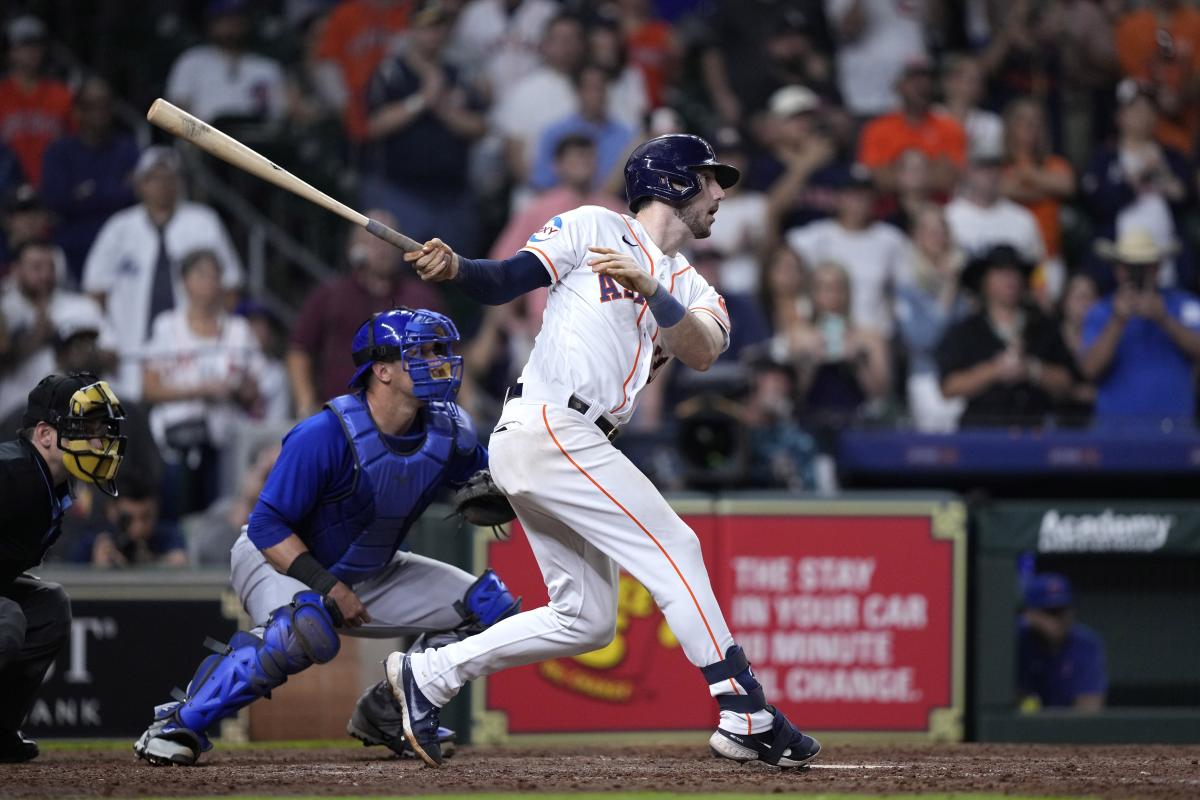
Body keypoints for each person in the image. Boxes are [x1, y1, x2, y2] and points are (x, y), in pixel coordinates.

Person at [392, 133, 821, 768]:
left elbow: (700, 350)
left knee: (586, 620)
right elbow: (506, 280)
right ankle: (746, 711)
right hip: (547, 422)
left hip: (574, 439)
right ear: (674, 184)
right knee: (676, 546)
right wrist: (455, 267)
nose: (721, 193)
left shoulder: (694, 286)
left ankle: (429, 674)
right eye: (709, 180)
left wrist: (652, 287)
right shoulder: (595, 225)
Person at [133, 307, 520, 766]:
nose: (439, 361)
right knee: (303, 629)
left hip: (372, 569)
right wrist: (328, 586)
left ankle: (390, 710)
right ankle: (177, 722)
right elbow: (266, 526)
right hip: (277, 557)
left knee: (490, 607)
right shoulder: (325, 435)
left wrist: (515, 484)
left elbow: (494, 478)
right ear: (382, 370)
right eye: (423, 351)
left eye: (440, 350)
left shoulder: (450, 430)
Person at [0, 372, 126, 762]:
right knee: (7, 619)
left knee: (48, 606)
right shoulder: (11, 472)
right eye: (85, 427)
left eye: (100, 428)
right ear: (45, 435)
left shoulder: (49, 483)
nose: (98, 439)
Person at [82, 146, 243, 401]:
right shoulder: (119, 228)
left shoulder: (203, 222)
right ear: (139, 184)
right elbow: (94, 291)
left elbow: (230, 288)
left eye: (170, 177)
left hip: (189, 353)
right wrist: (107, 339)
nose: (163, 185)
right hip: (127, 350)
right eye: (154, 178)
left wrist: (214, 339)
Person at [142, 249, 266, 515]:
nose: (209, 282)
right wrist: (201, 390)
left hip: (226, 442)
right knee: (178, 511)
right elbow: (149, 388)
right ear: (185, 281)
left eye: (214, 275)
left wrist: (235, 389)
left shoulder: (239, 330)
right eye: (201, 274)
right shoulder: (167, 326)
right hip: (174, 442)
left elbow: (256, 392)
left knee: (222, 512)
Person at [288, 210, 443, 417]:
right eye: (375, 241)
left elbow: (445, 353)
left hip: (409, 417)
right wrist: (306, 404)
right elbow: (299, 350)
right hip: (340, 417)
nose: (383, 249)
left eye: (391, 240)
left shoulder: (421, 297)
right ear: (355, 249)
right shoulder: (331, 295)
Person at [362, 0, 487, 256]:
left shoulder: (458, 73)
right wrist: (422, 100)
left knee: (454, 269)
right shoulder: (391, 71)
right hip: (401, 189)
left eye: (439, 27)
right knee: (400, 262)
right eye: (426, 27)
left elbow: (479, 126)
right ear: (411, 31)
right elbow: (375, 124)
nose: (433, 34)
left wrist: (442, 107)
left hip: (452, 191)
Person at [936, 245, 1075, 427]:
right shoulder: (966, 330)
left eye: (1015, 272)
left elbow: (1067, 382)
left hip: (1036, 434)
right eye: (1001, 272)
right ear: (984, 280)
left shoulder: (1043, 325)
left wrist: (1031, 370)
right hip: (982, 434)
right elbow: (948, 387)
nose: (1010, 279)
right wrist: (994, 370)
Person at [1080, 229, 1200, 424]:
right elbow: (1090, 369)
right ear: (1118, 269)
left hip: (1176, 431)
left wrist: (1164, 319)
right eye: (1129, 267)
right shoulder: (1101, 311)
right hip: (1116, 433)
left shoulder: (1183, 304)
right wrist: (1118, 321)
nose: (1136, 274)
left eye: (1144, 266)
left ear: (1157, 267)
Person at [0, 239, 118, 421]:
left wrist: (85, 354)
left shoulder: (82, 306)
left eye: (51, 267)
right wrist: (35, 338)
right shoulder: (6, 311)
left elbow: (112, 356)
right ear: (16, 270)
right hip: (17, 413)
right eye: (37, 268)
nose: (45, 275)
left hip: (75, 410)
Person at [785, 165, 910, 336]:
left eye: (864, 195)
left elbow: (906, 289)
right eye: (851, 195)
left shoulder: (891, 239)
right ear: (839, 198)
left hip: (876, 334)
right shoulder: (816, 236)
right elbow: (779, 263)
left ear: (873, 199)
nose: (857, 202)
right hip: (827, 335)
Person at [40, 77, 140, 282]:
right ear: (77, 111)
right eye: (92, 106)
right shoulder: (60, 151)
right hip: (74, 249)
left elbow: (137, 194)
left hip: (124, 248)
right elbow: (56, 201)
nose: (100, 113)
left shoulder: (127, 148)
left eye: (105, 105)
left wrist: (88, 194)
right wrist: (115, 190)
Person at [894, 204, 969, 432]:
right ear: (916, 237)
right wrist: (947, 291)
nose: (936, 237)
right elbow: (923, 340)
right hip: (926, 374)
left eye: (941, 230)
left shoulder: (965, 278)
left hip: (963, 374)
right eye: (928, 231)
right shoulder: (906, 284)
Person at [164, 0, 287, 124]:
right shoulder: (191, 61)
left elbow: (280, 114)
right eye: (224, 18)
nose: (231, 24)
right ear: (211, 23)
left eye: (237, 17)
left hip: (256, 139)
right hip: (202, 136)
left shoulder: (267, 67)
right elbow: (176, 109)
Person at [858, 58, 967, 195]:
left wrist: (897, 171)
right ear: (899, 85)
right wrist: (930, 170)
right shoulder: (877, 129)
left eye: (926, 79)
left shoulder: (950, 128)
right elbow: (878, 179)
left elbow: (948, 178)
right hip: (890, 207)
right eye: (913, 80)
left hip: (938, 203)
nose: (921, 86)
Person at [1017, 573, 1107, 711]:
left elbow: (1089, 708)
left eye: (1064, 610)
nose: (1060, 619)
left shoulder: (1085, 644)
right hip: (1023, 730)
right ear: (1030, 614)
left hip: (1069, 730)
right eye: (1051, 612)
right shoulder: (1018, 640)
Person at [0, 16, 72, 187]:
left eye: (36, 45)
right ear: (10, 51)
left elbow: (72, 144)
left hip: (53, 188)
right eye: (24, 45)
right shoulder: (2, 94)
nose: (31, 52)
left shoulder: (61, 94)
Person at [69, 472, 187, 568]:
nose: (137, 529)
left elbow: (180, 562)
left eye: (146, 517)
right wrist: (98, 567)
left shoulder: (167, 536)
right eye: (127, 519)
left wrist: (151, 562)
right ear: (112, 511)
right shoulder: (93, 541)